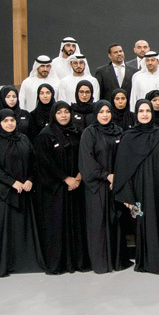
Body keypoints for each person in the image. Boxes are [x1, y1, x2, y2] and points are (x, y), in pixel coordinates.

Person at [113, 99, 159, 274]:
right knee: (140, 221)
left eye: (148, 111)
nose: (145, 114)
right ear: (136, 113)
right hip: (137, 192)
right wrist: (127, 196)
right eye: (141, 111)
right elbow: (122, 169)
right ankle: (145, 261)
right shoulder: (128, 137)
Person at [0, 109, 45, 277]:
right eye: (6, 121)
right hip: (3, 195)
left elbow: (34, 162)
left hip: (24, 192)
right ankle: (5, 263)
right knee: (5, 229)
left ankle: (24, 262)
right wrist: (12, 182)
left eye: (12, 120)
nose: (9, 124)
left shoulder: (23, 139)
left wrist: (30, 179)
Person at [34, 101, 91, 274]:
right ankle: (60, 263)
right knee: (58, 226)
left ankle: (78, 261)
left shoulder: (78, 132)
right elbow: (45, 162)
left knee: (77, 224)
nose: (64, 115)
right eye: (60, 113)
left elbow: (85, 154)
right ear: (54, 115)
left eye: (66, 112)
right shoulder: (46, 135)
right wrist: (65, 179)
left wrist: (79, 176)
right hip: (56, 190)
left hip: (77, 186)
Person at [78, 100, 133, 274]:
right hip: (97, 186)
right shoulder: (89, 133)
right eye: (101, 111)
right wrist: (106, 176)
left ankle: (117, 261)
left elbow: (125, 157)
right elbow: (87, 161)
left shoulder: (118, 131)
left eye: (107, 111)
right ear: (96, 114)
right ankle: (102, 263)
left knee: (116, 221)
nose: (105, 115)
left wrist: (118, 178)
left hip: (115, 186)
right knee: (99, 223)